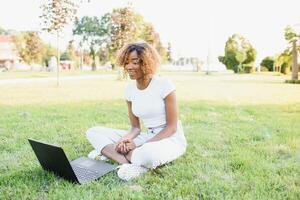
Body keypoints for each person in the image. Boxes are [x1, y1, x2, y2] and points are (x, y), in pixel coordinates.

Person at [86, 42, 187, 181]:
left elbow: (171, 127)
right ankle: (126, 161)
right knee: (93, 132)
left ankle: (111, 154)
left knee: (148, 154)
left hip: (170, 138)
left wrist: (138, 144)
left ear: (146, 62)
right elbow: (135, 127)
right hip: (148, 134)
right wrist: (125, 140)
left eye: (135, 62)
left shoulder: (164, 85)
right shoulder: (129, 89)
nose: (129, 67)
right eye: (126, 62)